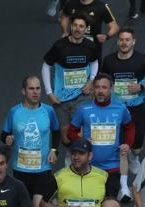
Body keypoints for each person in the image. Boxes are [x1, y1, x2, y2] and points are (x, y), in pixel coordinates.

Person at [1, 75, 60, 207]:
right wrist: (7, 139)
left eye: (38, 89)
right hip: (21, 169)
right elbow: (5, 133)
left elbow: (57, 131)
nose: (35, 92)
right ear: (23, 91)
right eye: (31, 89)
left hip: (42, 169)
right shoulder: (14, 112)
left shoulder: (48, 111)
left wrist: (53, 150)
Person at [67, 73, 135, 201]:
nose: (100, 91)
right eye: (97, 87)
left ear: (111, 89)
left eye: (104, 87)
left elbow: (130, 127)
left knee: (110, 206)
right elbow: (70, 132)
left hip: (113, 167)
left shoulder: (120, 108)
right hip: (89, 168)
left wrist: (128, 144)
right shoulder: (83, 109)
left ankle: (123, 189)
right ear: (93, 89)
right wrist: (81, 141)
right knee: (92, 204)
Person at [100, 27, 145, 176]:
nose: (124, 43)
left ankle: (134, 157)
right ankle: (118, 172)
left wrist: (141, 86)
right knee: (118, 144)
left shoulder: (142, 60)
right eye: (121, 40)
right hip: (116, 109)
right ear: (118, 41)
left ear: (133, 41)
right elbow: (102, 80)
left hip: (136, 107)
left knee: (136, 147)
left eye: (127, 40)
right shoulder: (109, 60)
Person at [42, 12, 99, 147]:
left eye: (81, 26)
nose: (78, 29)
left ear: (86, 29)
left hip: (82, 95)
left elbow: (94, 62)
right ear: (70, 27)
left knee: (79, 132)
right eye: (75, 25)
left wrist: (91, 80)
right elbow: (46, 65)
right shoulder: (60, 46)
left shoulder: (90, 46)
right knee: (66, 137)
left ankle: (78, 162)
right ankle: (71, 157)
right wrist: (49, 92)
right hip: (61, 97)